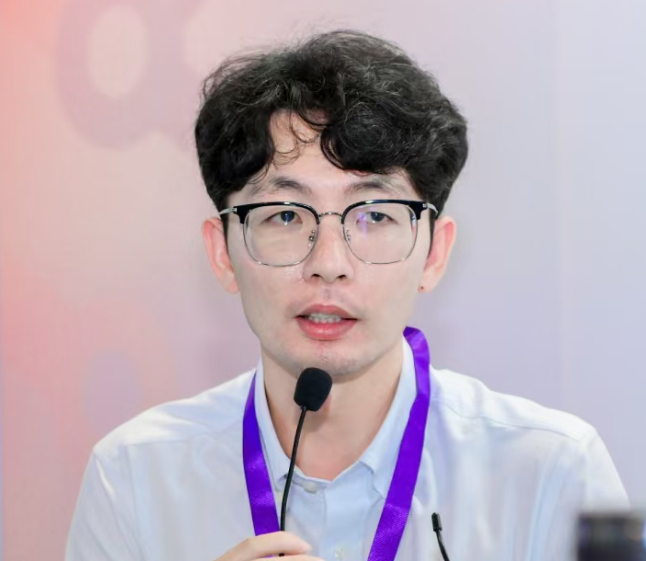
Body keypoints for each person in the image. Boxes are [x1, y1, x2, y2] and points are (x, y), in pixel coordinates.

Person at [66, 30, 628, 561]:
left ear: (434, 252)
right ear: (222, 253)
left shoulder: (553, 471)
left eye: (375, 215)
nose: (329, 264)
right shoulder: (134, 477)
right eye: (286, 215)